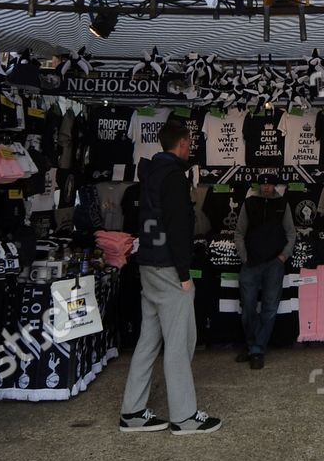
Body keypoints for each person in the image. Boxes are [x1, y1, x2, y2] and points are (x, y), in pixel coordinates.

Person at [118, 119, 221, 435]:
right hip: (167, 268)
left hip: (148, 263)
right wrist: (184, 273)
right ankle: (184, 416)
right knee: (178, 343)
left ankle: (132, 411)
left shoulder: (149, 173)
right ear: (184, 143)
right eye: (190, 144)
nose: (190, 149)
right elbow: (178, 229)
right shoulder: (174, 177)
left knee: (149, 340)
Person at [234, 174, 295, 370]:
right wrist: (244, 257)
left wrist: (283, 257)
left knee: (269, 309)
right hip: (250, 263)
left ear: (275, 185)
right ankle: (253, 346)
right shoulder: (249, 203)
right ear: (259, 185)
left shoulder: (282, 204)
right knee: (248, 308)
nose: (266, 187)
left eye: (269, 184)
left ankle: (257, 350)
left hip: (274, 264)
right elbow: (239, 233)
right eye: (263, 184)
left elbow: (291, 233)